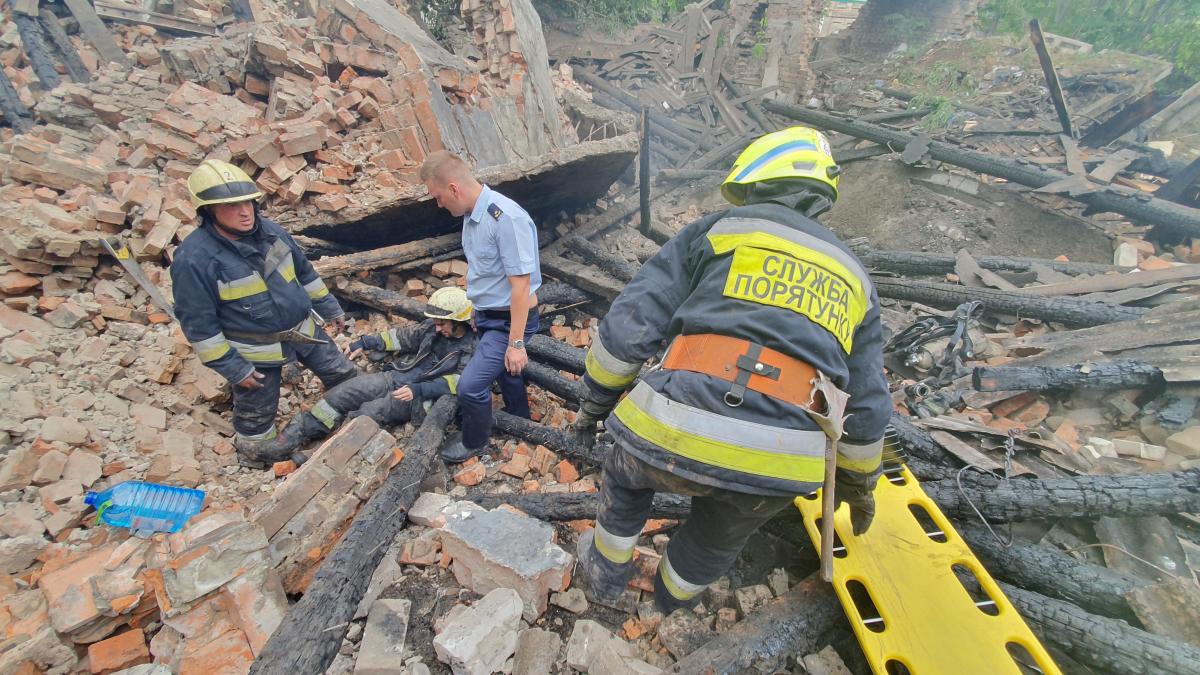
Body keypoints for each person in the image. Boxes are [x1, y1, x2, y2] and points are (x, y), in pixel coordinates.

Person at [569, 127, 891, 614]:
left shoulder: (720, 230)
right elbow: (867, 404)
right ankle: (667, 607)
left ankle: (603, 582)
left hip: (677, 427)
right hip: (782, 461)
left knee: (625, 476)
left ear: (756, 178)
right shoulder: (856, 279)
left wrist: (593, 402)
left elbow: (631, 325)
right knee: (717, 537)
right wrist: (858, 485)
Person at [172, 159, 358, 468]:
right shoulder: (194, 259)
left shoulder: (271, 232)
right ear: (208, 211)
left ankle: (352, 414)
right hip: (255, 349)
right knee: (256, 413)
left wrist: (329, 308)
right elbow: (199, 326)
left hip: (303, 330)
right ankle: (259, 456)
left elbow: (304, 272)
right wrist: (235, 369)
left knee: (343, 374)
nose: (245, 212)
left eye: (248, 202)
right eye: (232, 206)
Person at [419, 151, 542, 462]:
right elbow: (483, 270)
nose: (439, 204)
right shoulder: (471, 217)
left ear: (454, 188)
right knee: (506, 372)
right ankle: (520, 420)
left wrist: (516, 344)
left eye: (438, 197)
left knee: (471, 386)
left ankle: (475, 441)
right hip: (491, 315)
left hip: (510, 320)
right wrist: (477, 308)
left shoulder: (506, 218)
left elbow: (521, 287)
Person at [258, 287, 478, 457]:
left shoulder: (473, 347)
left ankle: (319, 453)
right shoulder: (433, 329)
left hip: (420, 396)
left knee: (367, 413)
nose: (437, 328)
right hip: (397, 377)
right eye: (436, 323)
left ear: (459, 321)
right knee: (341, 395)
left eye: (442, 324)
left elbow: (459, 381)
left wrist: (418, 390)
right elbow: (401, 338)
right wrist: (365, 342)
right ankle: (289, 439)